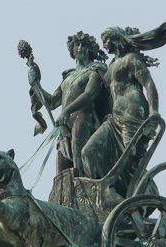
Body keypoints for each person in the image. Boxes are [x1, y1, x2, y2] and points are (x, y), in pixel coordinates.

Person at [82, 20, 166, 197]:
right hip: (114, 119)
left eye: (106, 40)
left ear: (115, 39)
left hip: (134, 114)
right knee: (89, 151)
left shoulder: (132, 59)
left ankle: (148, 194)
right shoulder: (112, 65)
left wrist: (154, 112)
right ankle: (107, 193)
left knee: (131, 160)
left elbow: (149, 85)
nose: (104, 45)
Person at [28, 31, 110, 176]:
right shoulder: (67, 78)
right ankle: (63, 196)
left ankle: (85, 192)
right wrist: (36, 84)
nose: (80, 48)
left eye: (83, 45)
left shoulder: (94, 70)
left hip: (83, 119)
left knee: (79, 162)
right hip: (64, 125)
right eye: (76, 45)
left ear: (90, 49)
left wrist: (67, 111)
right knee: (62, 167)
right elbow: (52, 102)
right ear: (71, 49)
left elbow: (90, 94)